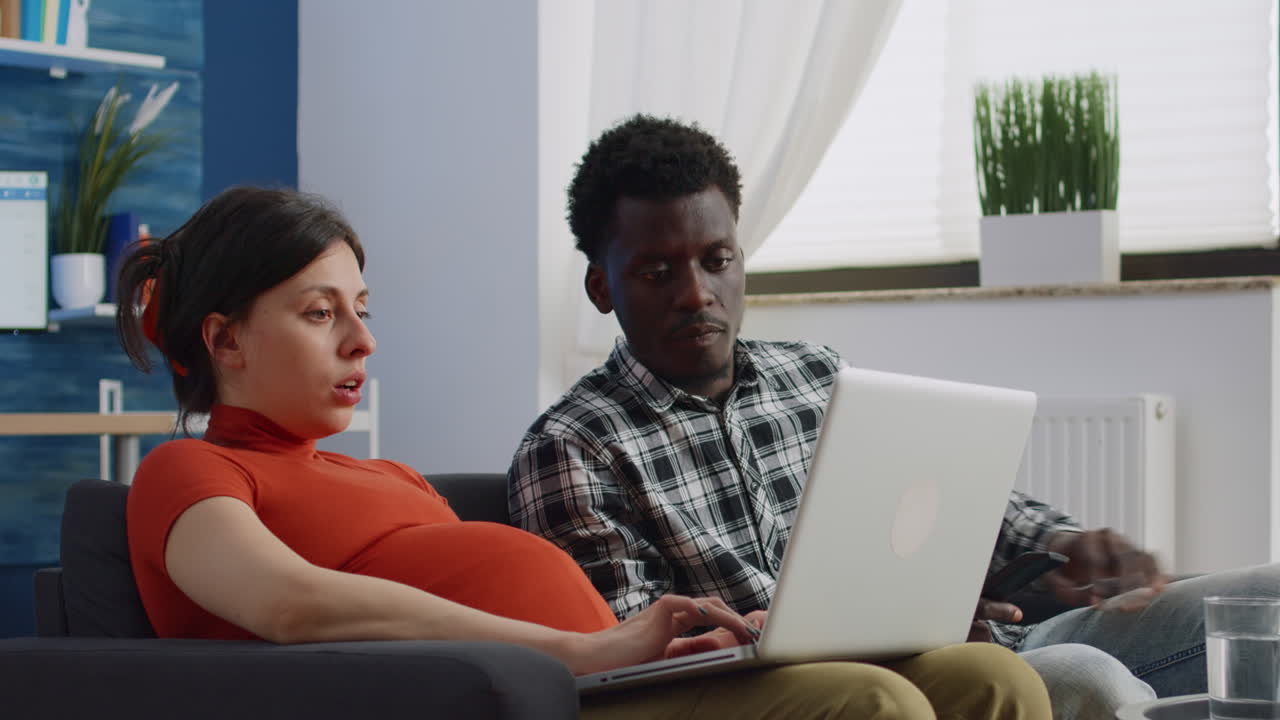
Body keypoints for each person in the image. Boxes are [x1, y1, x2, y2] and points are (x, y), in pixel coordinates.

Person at [115, 186, 1051, 720]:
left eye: (365, 310)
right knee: (869, 710)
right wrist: (582, 648)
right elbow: (292, 606)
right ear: (225, 340)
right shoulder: (188, 472)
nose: (361, 340)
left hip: (618, 674)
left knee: (992, 677)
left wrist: (708, 636)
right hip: (556, 701)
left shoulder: (383, 476)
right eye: (321, 314)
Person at [507, 114, 1279, 716]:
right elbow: (639, 647)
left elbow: (973, 506)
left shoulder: (816, 375)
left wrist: (1070, 546)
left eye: (717, 260)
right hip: (878, 679)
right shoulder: (573, 446)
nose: (696, 293)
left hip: (988, 635)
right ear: (602, 289)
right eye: (656, 270)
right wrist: (892, 625)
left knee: (1268, 593)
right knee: (1087, 680)